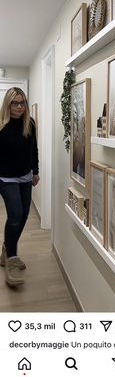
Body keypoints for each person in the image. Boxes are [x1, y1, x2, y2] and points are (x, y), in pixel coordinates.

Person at [0, 87, 40, 287]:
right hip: (6, 179)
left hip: (25, 177)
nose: (19, 107)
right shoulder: (1, 127)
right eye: (15, 103)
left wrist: (36, 171)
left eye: (22, 103)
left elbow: (34, 149)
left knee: (24, 215)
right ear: (8, 105)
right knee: (15, 214)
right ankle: (11, 261)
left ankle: (7, 249)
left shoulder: (30, 124)